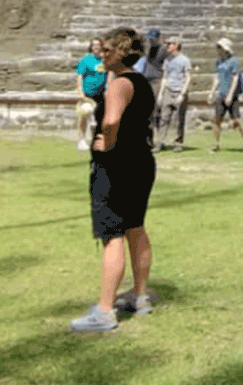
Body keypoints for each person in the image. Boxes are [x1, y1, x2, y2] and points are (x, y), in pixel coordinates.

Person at [70, 27, 157, 333]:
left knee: (112, 234)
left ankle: (104, 311)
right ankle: (139, 295)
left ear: (121, 52)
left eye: (107, 50)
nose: (101, 54)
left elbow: (111, 120)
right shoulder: (142, 82)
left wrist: (107, 141)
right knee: (135, 227)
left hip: (117, 168)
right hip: (141, 163)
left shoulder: (119, 84)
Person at [207, 37, 243, 153]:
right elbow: (217, 78)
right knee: (217, 120)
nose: (218, 50)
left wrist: (230, 95)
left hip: (231, 96)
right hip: (221, 94)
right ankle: (216, 144)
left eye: (220, 48)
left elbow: (235, 78)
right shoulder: (218, 62)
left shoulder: (234, 61)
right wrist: (211, 92)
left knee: (237, 119)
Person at [154, 36, 192, 151]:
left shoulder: (185, 60)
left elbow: (188, 77)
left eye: (170, 44)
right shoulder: (167, 60)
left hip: (179, 91)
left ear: (176, 45)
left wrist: (182, 93)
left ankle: (178, 143)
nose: (167, 46)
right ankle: (160, 142)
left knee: (179, 119)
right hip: (168, 92)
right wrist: (161, 93)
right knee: (164, 118)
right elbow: (165, 77)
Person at [74, 38, 106, 151]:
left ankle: (96, 140)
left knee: (97, 119)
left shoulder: (104, 59)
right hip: (87, 94)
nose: (96, 47)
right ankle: (81, 140)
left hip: (101, 94)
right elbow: (79, 76)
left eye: (98, 45)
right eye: (94, 45)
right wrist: (80, 91)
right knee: (85, 115)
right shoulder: (86, 60)